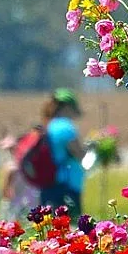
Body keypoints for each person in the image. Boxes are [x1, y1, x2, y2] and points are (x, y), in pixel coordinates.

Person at [39, 88, 86, 220]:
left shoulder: (49, 124)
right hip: (67, 184)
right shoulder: (65, 127)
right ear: (66, 107)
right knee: (73, 227)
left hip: (49, 183)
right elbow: (79, 153)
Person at [0, 135, 39, 221]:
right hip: (31, 203)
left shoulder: (10, 168)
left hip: (15, 205)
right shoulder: (31, 166)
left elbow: (4, 192)